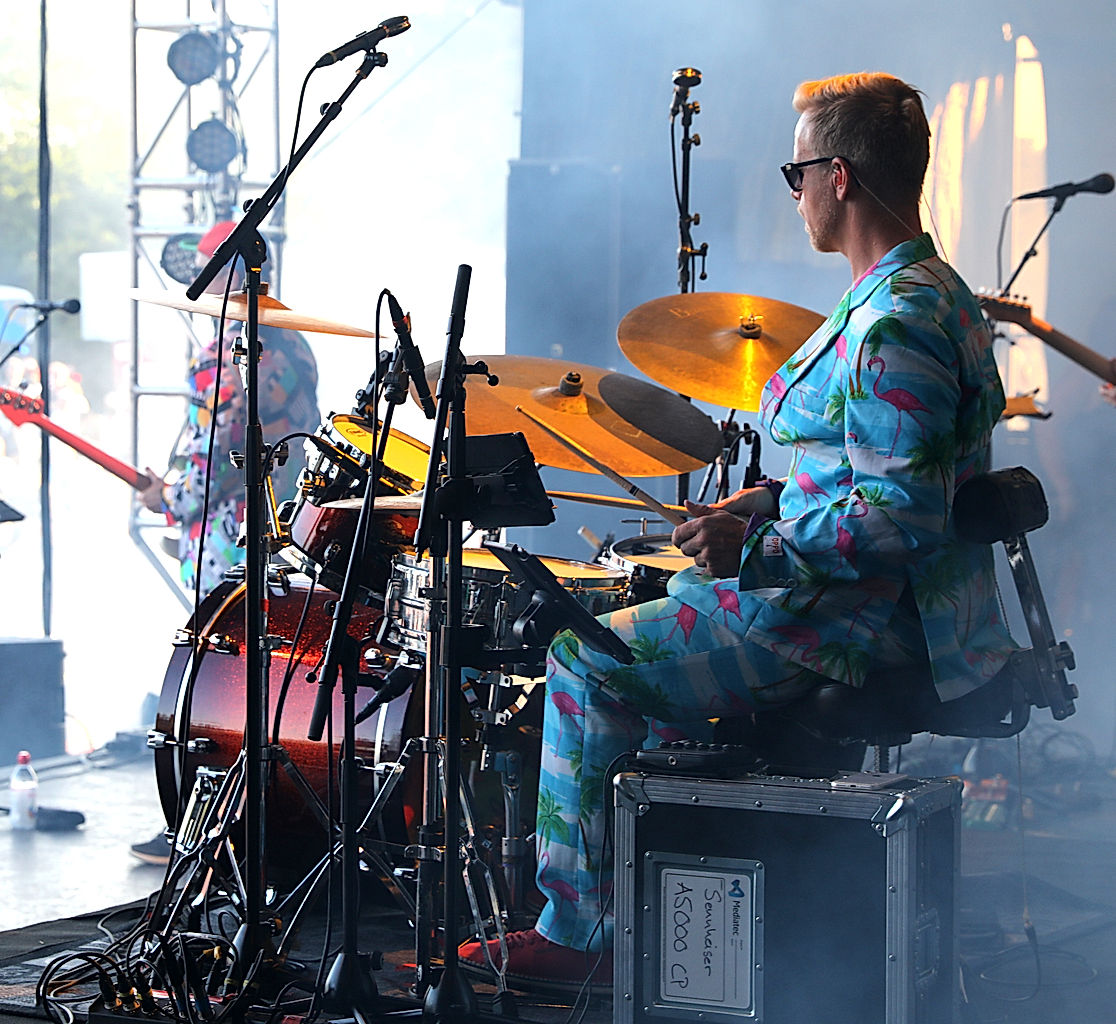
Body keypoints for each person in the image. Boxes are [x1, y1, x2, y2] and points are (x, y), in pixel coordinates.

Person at [460, 71, 1016, 987]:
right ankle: (680, 897)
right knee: (668, 600)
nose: (793, 194)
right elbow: (866, 469)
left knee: (578, 656)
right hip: (848, 602)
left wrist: (758, 550)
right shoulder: (928, 292)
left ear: (839, 177)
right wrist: (762, 505)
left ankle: (578, 936)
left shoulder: (897, 324)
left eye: (796, 174)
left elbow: (900, 513)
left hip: (844, 626)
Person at [131, 222, 319, 865]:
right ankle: (262, 820)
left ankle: (203, 824)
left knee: (214, 681)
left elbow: (217, 456)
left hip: (229, 532)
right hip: (283, 523)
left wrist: (169, 496)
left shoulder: (226, 350)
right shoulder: (291, 338)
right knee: (264, 680)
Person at [140, 221, 319, 597]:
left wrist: (170, 499)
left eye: (208, 270)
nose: (200, 282)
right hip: (290, 530)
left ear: (234, 274)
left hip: (227, 543)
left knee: (222, 652)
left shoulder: (217, 363)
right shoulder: (296, 344)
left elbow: (215, 460)